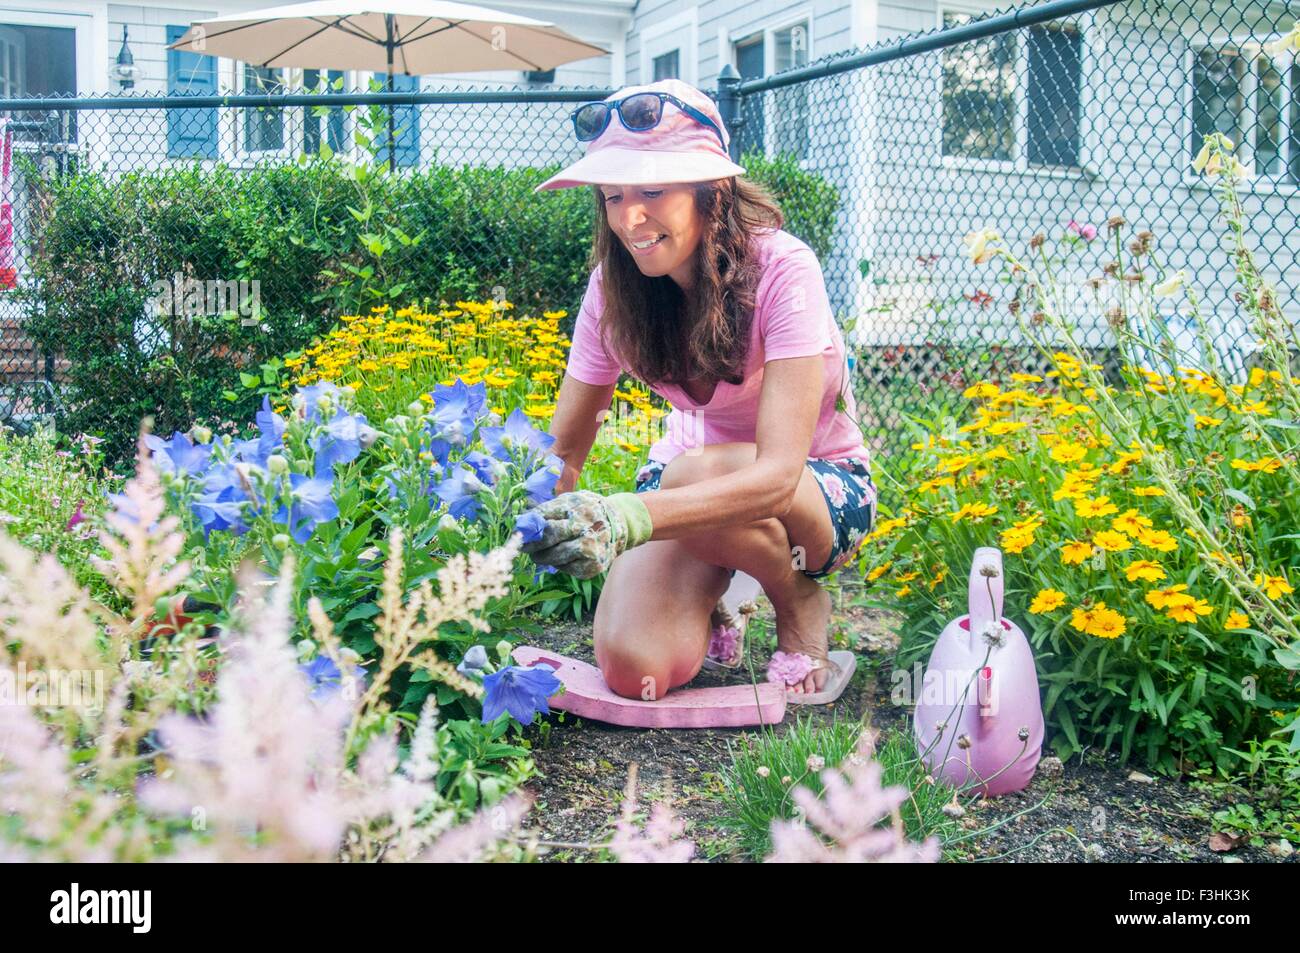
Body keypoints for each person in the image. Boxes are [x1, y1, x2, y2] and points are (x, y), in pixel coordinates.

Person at [521, 78, 876, 704]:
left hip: (817, 494)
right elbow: (565, 454)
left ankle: (795, 596)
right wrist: (515, 530)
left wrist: (628, 516)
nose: (630, 217)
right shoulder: (613, 290)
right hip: (689, 490)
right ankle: (720, 588)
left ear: (712, 191)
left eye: (653, 190)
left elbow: (775, 477)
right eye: (612, 196)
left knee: (684, 476)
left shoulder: (784, 269)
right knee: (636, 669)